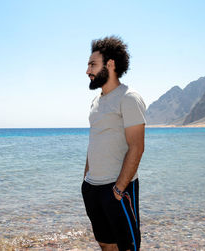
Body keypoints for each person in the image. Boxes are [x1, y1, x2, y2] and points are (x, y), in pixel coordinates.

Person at [82, 36, 146, 251]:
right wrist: (86, 179)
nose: (87, 70)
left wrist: (119, 189)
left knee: (127, 247)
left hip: (117, 189)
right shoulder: (96, 101)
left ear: (110, 64)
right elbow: (95, 141)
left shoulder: (128, 98)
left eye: (92, 64)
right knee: (105, 244)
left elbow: (137, 147)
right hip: (93, 188)